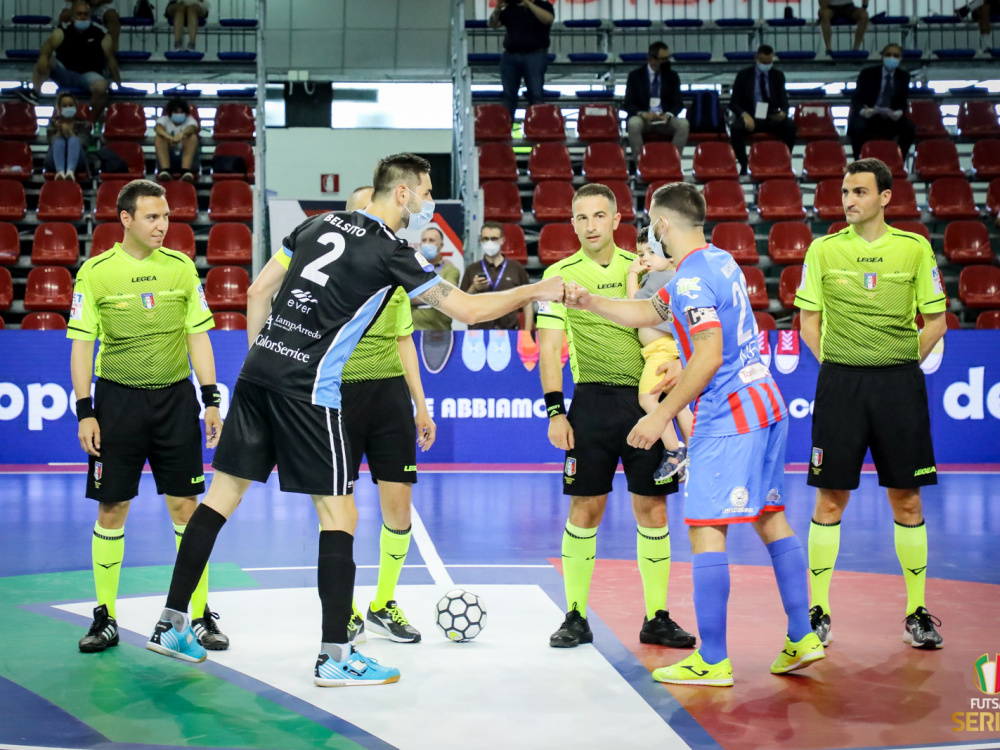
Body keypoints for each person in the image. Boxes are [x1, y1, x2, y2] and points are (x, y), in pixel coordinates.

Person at [142, 153, 564, 686]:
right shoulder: (393, 252)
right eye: (427, 192)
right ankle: (336, 656)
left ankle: (170, 623)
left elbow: (256, 291)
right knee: (339, 516)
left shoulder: (315, 224)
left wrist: (265, 356)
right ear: (402, 193)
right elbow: (470, 311)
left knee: (220, 498)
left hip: (258, 372)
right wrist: (537, 289)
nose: (430, 202)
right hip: (308, 388)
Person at [563, 182, 824, 686]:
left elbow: (708, 354)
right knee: (770, 517)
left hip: (730, 415)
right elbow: (649, 312)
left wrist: (660, 415)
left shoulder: (689, 280)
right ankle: (802, 635)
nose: (649, 231)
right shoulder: (719, 262)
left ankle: (714, 659)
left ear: (662, 224)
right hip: (765, 401)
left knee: (705, 528)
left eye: (650, 223)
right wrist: (590, 301)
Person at [67, 179, 228, 654]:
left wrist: (211, 400)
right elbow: (82, 346)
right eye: (152, 217)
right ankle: (105, 616)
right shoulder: (95, 273)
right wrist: (85, 411)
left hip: (175, 402)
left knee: (186, 508)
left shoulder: (181, 268)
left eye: (166, 217)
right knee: (111, 508)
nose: (163, 225)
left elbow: (198, 336)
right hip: (117, 404)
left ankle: (197, 613)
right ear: (126, 219)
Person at [794, 158, 948, 650]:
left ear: (885, 197)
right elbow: (808, 323)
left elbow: (936, 321)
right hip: (840, 385)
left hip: (899, 387)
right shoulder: (823, 250)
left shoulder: (914, 249)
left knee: (907, 498)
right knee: (829, 497)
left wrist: (899, 364)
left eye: (859, 191)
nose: (848, 200)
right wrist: (838, 366)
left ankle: (916, 612)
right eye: (845, 192)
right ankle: (818, 610)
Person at [537, 183, 694, 651]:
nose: (591, 226)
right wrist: (555, 412)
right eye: (582, 217)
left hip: (646, 402)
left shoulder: (643, 265)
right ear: (572, 224)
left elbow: (683, 325)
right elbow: (549, 349)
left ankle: (656, 617)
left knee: (653, 507)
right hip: (591, 404)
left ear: (616, 219)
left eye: (599, 216)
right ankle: (575, 615)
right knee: (585, 508)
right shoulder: (558, 275)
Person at [337, 182, 434, 645]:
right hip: (339, 396)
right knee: (340, 511)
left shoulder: (397, 268)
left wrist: (421, 406)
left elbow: (404, 341)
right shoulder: (330, 271)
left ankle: (383, 603)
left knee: (399, 505)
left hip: (389, 396)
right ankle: (345, 608)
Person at [626, 226, 693, 481]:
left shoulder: (657, 278)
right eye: (640, 254)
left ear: (671, 255)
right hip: (670, 349)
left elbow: (634, 306)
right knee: (679, 404)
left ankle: (674, 451)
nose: (644, 259)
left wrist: (633, 273)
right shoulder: (674, 275)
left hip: (660, 352)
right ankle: (697, 452)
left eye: (651, 252)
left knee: (647, 399)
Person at [19, 1, 122, 121]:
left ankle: (90, 123)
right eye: (79, 14)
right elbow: (48, 44)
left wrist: (119, 85)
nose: (82, 17)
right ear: (72, 16)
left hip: (89, 75)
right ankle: (34, 93)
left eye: (85, 14)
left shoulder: (100, 33)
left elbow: (110, 59)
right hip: (65, 73)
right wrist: (43, 57)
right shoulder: (62, 30)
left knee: (101, 87)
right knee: (46, 58)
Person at [728, 45, 796, 176]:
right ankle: (744, 164)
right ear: (756, 58)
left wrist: (783, 112)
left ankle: (783, 160)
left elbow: (783, 99)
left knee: (790, 127)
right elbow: (733, 103)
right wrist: (744, 115)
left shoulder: (777, 75)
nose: (766, 65)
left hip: (771, 116)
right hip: (751, 115)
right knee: (735, 129)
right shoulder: (743, 75)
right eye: (763, 62)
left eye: (769, 62)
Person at [488, 0, 555, 121]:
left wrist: (529, 5)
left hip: (534, 55)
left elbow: (548, 19)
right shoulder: (511, 7)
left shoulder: (544, 5)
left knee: (536, 94)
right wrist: (498, 8)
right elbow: (493, 24)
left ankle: (536, 126)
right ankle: (506, 127)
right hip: (510, 55)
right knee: (509, 96)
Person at [847, 45, 916, 161]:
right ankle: (859, 162)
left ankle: (898, 161)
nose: (891, 58)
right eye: (888, 55)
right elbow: (856, 98)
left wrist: (899, 112)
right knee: (858, 127)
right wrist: (863, 111)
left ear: (900, 59)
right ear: (882, 56)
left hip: (890, 118)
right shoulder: (867, 74)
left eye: (895, 55)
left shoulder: (903, 76)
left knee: (909, 128)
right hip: (869, 116)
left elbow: (903, 100)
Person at [459, 222, 533, 330]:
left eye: (494, 239)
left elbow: (528, 302)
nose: (489, 242)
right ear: (480, 240)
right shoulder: (472, 269)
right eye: (485, 239)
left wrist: (527, 332)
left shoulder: (516, 268)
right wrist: (474, 288)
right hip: (479, 331)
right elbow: (461, 303)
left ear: (502, 240)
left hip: (509, 330)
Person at [624, 42, 690, 159]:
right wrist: (643, 114)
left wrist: (668, 115)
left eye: (668, 58)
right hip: (644, 118)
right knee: (633, 123)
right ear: (652, 59)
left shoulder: (673, 76)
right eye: (663, 59)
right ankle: (641, 161)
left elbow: (678, 103)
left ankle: (671, 160)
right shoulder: (635, 76)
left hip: (665, 119)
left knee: (683, 125)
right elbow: (628, 103)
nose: (667, 62)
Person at [411, 227, 461, 331]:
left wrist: (416, 293)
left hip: (440, 331)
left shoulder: (450, 270)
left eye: (431, 240)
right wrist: (436, 294)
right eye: (424, 240)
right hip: (412, 331)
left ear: (440, 245)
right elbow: (404, 297)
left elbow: (447, 294)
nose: (427, 243)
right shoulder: (411, 269)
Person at [45, 91, 91, 180]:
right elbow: (50, 142)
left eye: (70, 105)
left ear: (75, 106)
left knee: (73, 140)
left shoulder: (84, 124)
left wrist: (70, 132)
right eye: (64, 106)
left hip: (78, 160)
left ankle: (70, 172)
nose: (68, 108)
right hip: (54, 160)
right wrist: (59, 132)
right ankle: (60, 172)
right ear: (59, 108)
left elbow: (84, 143)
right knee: (59, 140)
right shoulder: (53, 123)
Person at [154, 97, 201, 183]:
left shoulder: (190, 120)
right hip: (169, 158)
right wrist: (169, 137)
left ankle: (185, 171)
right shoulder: (163, 119)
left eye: (181, 112)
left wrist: (181, 135)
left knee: (192, 137)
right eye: (176, 112)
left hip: (187, 160)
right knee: (159, 137)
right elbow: (158, 128)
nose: (179, 115)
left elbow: (192, 127)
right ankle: (166, 170)